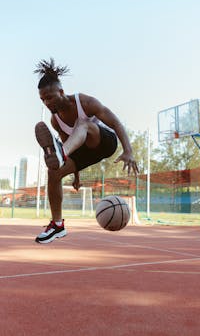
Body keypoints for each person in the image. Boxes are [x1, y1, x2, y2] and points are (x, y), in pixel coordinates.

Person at [34, 58, 139, 244]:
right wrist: (76, 175)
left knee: (81, 124)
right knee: (54, 172)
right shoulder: (55, 120)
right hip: (83, 150)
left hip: (104, 142)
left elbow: (115, 123)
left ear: (61, 92)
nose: (47, 103)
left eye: (50, 97)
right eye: (43, 99)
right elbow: (73, 148)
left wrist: (128, 150)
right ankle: (57, 225)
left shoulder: (85, 102)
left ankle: (59, 154)